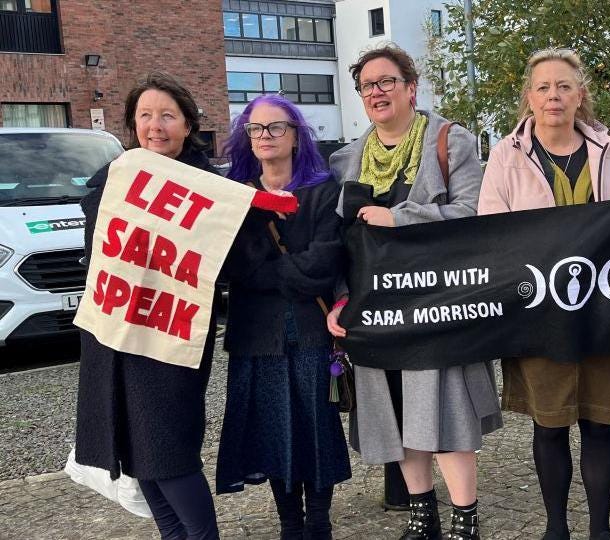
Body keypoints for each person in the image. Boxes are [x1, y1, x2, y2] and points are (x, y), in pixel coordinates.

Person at [477, 47, 610, 540]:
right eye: (543, 87)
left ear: (580, 95)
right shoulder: (506, 155)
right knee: (551, 424)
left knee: (601, 423)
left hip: (602, 311)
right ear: (529, 97)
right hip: (538, 312)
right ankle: (556, 529)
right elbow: (491, 232)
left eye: (564, 86)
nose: (553, 96)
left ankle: (600, 530)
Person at [326, 44, 502, 540]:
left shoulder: (450, 141)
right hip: (377, 311)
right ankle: (422, 517)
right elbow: (339, 242)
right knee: (399, 414)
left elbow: (475, 214)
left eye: (387, 81)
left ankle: (465, 520)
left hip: (437, 305)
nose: (377, 92)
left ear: (410, 88)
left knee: (445, 412)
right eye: (367, 85)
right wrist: (342, 299)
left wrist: (400, 217)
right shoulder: (346, 160)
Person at [75, 72, 221, 540]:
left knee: (169, 451)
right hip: (115, 335)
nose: (155, 126)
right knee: (138, 454)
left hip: (168, 338)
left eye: (167, 116)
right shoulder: (114, 178)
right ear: (132, 124)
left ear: (188, 125)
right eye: (145, 115)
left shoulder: (209, 188)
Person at [215, 95, 351, 540]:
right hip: (257, 336)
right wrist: (292, 273)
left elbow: (325, 262)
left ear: (295, 136)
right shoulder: (237, 197)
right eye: (256, 128)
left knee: (316, 428)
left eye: (276, 127)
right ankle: (290, 523)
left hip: (310, 331)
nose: (265, 136)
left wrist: (271, 274)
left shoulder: (323, 190)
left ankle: (319, 521)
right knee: (275, 432)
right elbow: (236, 267)